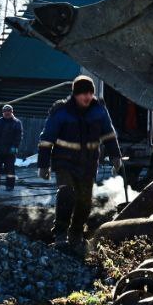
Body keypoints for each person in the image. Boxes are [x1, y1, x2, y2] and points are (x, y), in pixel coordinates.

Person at [37, 75, 122, 248]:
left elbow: (109, 135)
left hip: (88, 163)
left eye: (90, 93)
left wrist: (115, 156)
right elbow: (46, 140)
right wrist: (43, 165)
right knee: (67, 193)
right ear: (75, 94)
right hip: (64, 161)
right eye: (83, 93)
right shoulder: (61, 111)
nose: (88, 96)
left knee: (85, 201)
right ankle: (60, 232)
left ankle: (76, 233)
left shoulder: (99, 111)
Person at [0, 104, 24, 191]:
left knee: (10, 170)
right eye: (5, 111)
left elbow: (18, 137)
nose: (7, 113)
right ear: (2, 112)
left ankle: (10, 186)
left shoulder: (17, 123)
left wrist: (14, 148)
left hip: (10, 152)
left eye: (9, 111)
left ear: (12, 112)